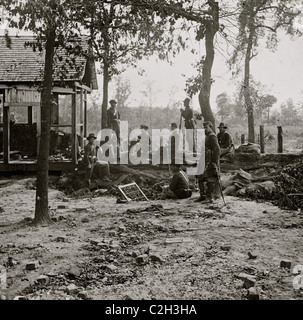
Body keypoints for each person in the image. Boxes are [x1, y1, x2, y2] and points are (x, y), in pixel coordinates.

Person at [195, 121, 220, 203]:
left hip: (210, 159)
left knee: (210, 178)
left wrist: (214, 161)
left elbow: (217, 149)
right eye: (204, 127)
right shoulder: (207, 136)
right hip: (204, 158)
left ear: (211, 127)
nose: (204, 129)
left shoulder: (212, 136)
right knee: (200, 177)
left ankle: (210, 197)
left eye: (206, 127)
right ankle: (202, 195)